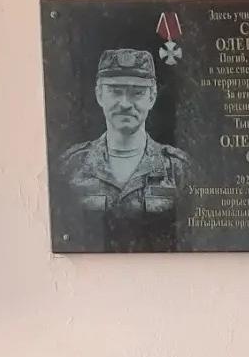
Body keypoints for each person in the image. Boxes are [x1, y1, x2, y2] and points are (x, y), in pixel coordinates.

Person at [54, 48, 191, 251]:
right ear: (99, 95)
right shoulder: (71, 166)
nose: (125, 104)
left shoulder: (178, 169)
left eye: (137, 93)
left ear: (152, 97)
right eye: (115, 91)